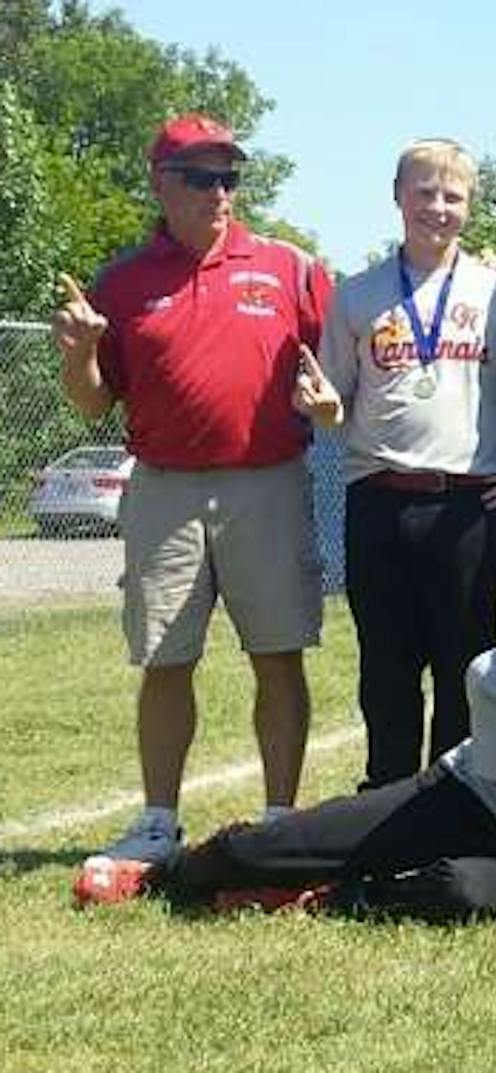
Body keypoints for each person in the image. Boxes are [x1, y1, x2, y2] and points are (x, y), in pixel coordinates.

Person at [52, 113, 332, 872]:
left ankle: (280, 817)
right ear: (161, 183)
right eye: (202, 177)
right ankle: (157, 819)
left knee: (277, 653)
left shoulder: (288, 268)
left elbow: (340, 360)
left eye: (229, 178)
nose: (220, 193)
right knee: (166, 658)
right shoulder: (122, 281)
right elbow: (91, 401)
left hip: (266, 481)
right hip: (164, 490)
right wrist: (79, 355)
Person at [120, 549, 496, 924]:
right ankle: (172, 873)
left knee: (468, 895)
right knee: (289, 843)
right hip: (465, 800)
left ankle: (332, 899)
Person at [304, 138, 496, 791]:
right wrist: (324, 407)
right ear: (398, 197)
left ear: (472, 203)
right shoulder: (358, 295)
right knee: (386, 662)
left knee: (465, 660)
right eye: (424, 193)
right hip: (378, 495)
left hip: (468, 501)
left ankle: (455, 795)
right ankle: (384, 792)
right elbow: (337, 404)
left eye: (452, 195)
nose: (438, 207)